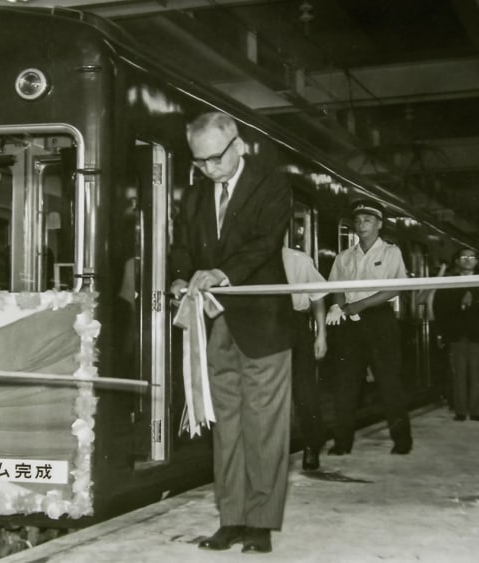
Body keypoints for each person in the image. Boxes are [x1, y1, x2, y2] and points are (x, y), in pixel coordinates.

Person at [170, 111, 296, 554]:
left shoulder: (272, 184)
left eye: (215, 158)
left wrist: (223, 273)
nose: (209, 169)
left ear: (238, 145)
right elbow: (182, 245)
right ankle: (232, 518)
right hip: (215, 324)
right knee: (225, 426)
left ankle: (260, 523)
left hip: (263, 324)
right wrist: (181, 277)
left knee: (264, 426)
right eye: (200, 162)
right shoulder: (194, 196)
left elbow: (265, 241)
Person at [325, 198, 413, 455]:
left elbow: (396, 287)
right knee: (345, 384)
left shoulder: (390, 252)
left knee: (389, 382)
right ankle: (342, 442)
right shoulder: (344, 256)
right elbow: (335, 287)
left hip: (379, 319)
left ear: (379, 225)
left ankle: (402, 440)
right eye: (358, 221)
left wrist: (360, 306)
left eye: (368, 220)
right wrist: (340, 307)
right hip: (349, 323)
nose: (361, 225)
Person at [433, 247, 479, 422]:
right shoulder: (448, 282)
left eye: (471, 257)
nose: (468, 260)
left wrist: (472, 300)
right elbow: (439, 309)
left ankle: (476, 411)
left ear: (476, 261)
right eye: (463, 257)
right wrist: (441, 333)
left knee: (477, 375)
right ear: (457, 261)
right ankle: (460, 411)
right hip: (456, 335)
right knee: (458, 374)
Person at [282, 247, 328, 471]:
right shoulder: (247, 257)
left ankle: (312, 444)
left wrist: (321, 334)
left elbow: (317, 298)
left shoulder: (298, 260)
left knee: (304, 389)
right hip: (261, 324)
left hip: (296, 324)